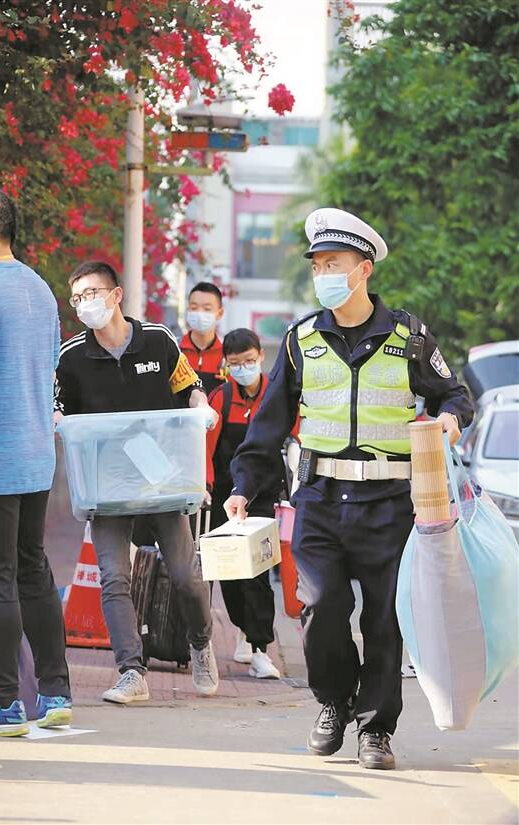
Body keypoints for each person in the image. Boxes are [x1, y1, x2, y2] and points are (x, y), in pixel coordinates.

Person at [224, 207, 474, 769]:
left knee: (384, 619)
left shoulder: (408, 336)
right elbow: (268, 422)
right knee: (320, 608)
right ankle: (334, 702)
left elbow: (454, 395)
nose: (323, 275)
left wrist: (450, 419)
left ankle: (376, 729)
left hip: (390, 504)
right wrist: (243, 484)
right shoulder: (301, 340)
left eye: (333, 264)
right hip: (319, 501)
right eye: (317, 266)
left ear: (363, 270)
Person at [55, 260, 219, 703]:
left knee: (184, 574)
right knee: (114, 577)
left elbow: (189, 385)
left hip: (160, 476)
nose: (85, 304)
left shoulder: (157, 340)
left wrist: (201, 406)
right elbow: (57, 405)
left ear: (116, 295)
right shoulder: (71, 357)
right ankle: (131, 671)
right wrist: (57, 420)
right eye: (77, 298)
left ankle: (201, 642)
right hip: (105, 482)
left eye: (92, 293)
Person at [0, 182, 71, 736]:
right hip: (34, 455)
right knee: (32, 570)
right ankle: (55, 695)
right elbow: (47, 368)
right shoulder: (39, 288)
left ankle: (3, 701)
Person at [206, 329, 293, 680]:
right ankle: (243, 628)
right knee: (229, 575)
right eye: (236, 363)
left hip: (263, 498)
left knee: (257, 575)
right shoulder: (221, 399)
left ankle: (260, 649)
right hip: (224, 499)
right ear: (226, 365)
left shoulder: (278, 395)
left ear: (261, 356)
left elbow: (298, 435)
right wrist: (206, 488)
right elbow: (206, 449)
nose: (244, 368)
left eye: (249, 361)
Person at [180, 282, 226, 395]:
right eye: (194, 308)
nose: (199, 313)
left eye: (207, 308)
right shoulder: (174, 350)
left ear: (220, 313)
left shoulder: (227, 358)